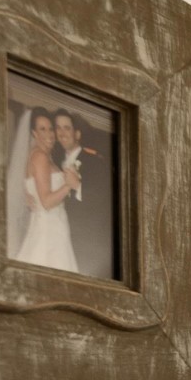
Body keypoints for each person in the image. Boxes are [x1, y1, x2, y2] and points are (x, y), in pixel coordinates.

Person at [5, 107, 79, 272]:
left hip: (53, 226)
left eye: (50, 129)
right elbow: (46, 201)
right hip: (49, 230)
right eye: (42, 129)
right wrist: (69, 184)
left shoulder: (42, 156)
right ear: (34, 133)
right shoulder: (40, 157)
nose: (49, 134)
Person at [53, 108, 112, 278]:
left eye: (66, 128)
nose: (62, 133)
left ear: (77, 134)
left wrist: (78, 186)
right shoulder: (55, 161)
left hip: (86, 241)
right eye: (58, 128)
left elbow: (103, 199)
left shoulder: (94, 160)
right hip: (61, 235)